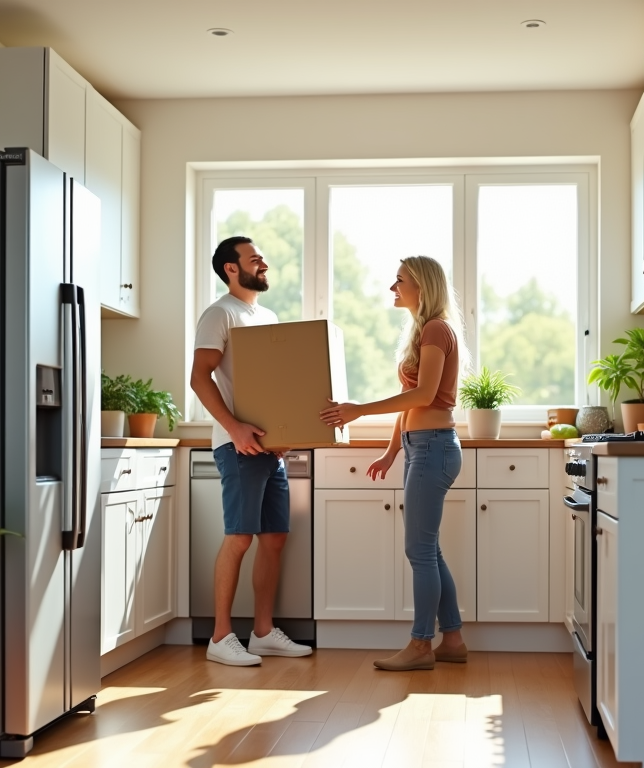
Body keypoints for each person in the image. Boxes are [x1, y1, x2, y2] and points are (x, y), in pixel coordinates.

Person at [320, 256, 468, 671]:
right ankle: (452, 639)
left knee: (419, 551)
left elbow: (423, 396)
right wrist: (391, 451)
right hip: (422, 445)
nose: (393, 288)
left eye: (400, 280)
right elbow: (410, 402)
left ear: (422, 286)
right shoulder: (425, 330)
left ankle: (421, 646)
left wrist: (359, 410)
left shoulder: (438, 329)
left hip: (434, 446)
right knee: (429, 550)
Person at [190, 236, 312, 666]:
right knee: (239, 537)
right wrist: (235, 428)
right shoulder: (219, 314)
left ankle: (262, 633)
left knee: (274, 538)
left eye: (262, 259)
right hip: (237, 446)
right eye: (253, 259)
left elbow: (275, 384)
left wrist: (286, 431)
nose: (263, 264)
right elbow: (200, 378)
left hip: (268, 449)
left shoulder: (268, 316)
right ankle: (220, 637)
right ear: (229, 268)